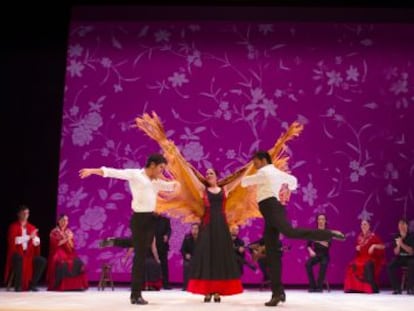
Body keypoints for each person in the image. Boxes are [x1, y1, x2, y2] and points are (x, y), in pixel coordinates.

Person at [241, 151, 345, 306]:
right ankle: (278, 293)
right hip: (271, 211)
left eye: (255, 162)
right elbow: (293, 181)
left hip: (272, 208)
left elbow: (245, 182)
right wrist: (287, 189)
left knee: (290, 232)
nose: (254, 165)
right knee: (272, 253)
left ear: (263, 160)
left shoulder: (265, 171)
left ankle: (328, 233)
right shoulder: (276, 172)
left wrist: (241, 176)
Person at [79, 153, 179, 305]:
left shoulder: (156, 181)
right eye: (161, 168)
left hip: (151, 219)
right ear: (152, 165)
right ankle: (135, 295)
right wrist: (93, 170)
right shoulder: (135, 175)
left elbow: (171, 186)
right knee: (140, 257)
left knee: (140, 246)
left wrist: (180, 183)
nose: (162, 172)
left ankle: (115, 241)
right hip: (139, 220)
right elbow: (113, 172)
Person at [187, 168, 243, 302]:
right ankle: (207, 291)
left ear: (217, 176)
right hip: (207, 226)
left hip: (221, 226)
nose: (208, 175)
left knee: (219, 256)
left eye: (211, 173)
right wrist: (184, 164)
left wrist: (250, 167)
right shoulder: (203, 190)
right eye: (206, 174)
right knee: (206, 256)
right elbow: (191, 177)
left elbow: (239, 178)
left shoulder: (225, 189)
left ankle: (217, 291)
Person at [4, 204, 47, 291]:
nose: (25, 215)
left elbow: (36, 243)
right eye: (23, 213)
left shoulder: (31, 227)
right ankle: (18, 285)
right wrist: (29, 237)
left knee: (41, 260)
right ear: (18, 214)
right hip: (16, 254)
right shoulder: (13, 226)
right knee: (18, 258)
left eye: (27, 213)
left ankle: (32, 284)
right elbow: (14, 241)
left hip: (28, 254)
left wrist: (36, 239)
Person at [47, 214, 88, 291]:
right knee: (63, 263)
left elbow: (72, 247)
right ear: (59, 221)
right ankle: (61, 285)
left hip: (67, 253)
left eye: (66, 220)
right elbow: (57, 244)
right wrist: (66, 238)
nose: (65, 222)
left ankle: (77, 286)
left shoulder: (69, 231)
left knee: (79, 263)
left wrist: (69, 239)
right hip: (57, 252)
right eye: (63, 220)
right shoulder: (54, 232)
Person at [344, 219, 385, 293]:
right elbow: (358, 249)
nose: (363, 226)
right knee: (352, 265)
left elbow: (382, 246)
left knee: (367, 264)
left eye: (365, 224)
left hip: (370, 258)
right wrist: (357, 248)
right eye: (362, 224)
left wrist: (374, 246)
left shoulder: (373, 236)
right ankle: (354, 288)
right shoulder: (359, 237)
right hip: (361, 258)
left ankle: (368, 288)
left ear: (369, 226)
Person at [387, 219, 414, 295]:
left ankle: (411, 288)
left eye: (403, 224)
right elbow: (396, 252)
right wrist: (398, 245)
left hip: (410, 257)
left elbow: (411, 251)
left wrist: (401, 243)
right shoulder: (396, 236)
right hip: (400, 257)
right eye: (400, 225)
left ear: (407, 226)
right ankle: (396, 288)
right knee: (390, 266)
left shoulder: (412, 236)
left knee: (412, 264)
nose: (401, 226)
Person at [305, 213, 331, 292]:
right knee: (308, 264)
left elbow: (327, 244)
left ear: (325, 221)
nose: (321, 221)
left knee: (323, 264)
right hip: (316, 254)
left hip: (325, 255)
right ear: (317, 221)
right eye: (319, 219)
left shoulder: (328, 232)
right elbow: (308, 245)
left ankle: (319, 287)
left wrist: (318, 240)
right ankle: (313, 286)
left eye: (323, 219)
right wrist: (310, 251)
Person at [154, 214, 172, 289]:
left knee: (164, 265)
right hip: (152, 246)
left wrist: (167, 235)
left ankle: (166, 284)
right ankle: (153, 283)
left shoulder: (165, 220)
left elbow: (169, 230)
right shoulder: (149, 219)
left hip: (162, 246)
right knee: (153, 265)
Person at [181, 223, 199, 291]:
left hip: (199, 259)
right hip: (190, 259)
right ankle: (186, 286)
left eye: (196, 229)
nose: (194, 230)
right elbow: (182, 249)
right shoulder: (187, 237)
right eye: (193, 229)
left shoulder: (202, 238)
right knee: (187, 265)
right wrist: (186, 254)